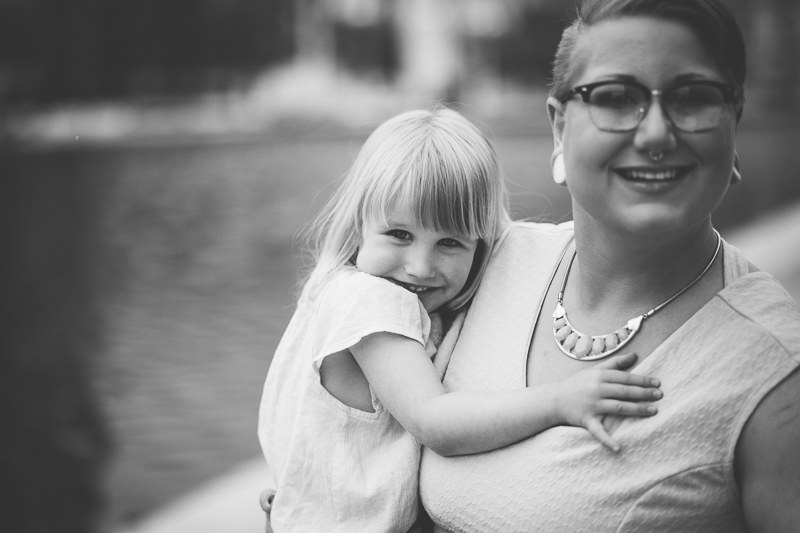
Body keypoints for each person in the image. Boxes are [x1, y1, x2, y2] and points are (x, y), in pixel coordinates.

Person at [419, 1, 800, 532]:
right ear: (559, 128)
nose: (656, 134)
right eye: (617, 98)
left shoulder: (774, 374)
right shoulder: (487, 265)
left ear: (733, 124)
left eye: (693, 98)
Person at [257, 107, 663, 532]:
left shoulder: (333, 293)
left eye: (450, 243)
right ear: (359, 224)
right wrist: (560, 401)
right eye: (399, 234)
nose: (419, 267)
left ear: (481, 248)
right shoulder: (371, 300)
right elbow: (435, 421)